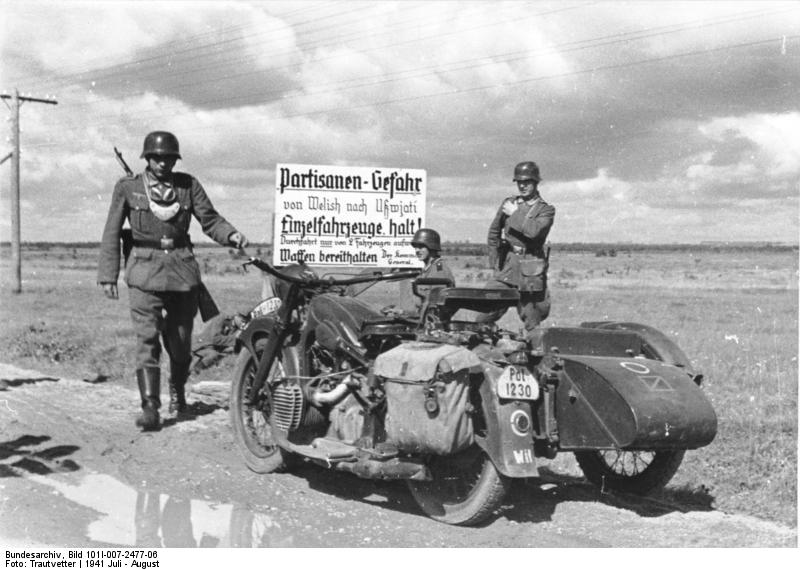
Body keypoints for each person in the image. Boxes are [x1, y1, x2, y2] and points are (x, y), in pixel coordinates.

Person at [97, 131, 249, 430]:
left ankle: (177, 389)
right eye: (157, 158)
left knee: (180, 345)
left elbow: (210, 220)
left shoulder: (188, 185)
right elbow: (111, 230)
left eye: (169, 158)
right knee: (147, 340)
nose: (163, 163)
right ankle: (150, 407)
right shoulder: (128, 187)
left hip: (181, 273)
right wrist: (108, 274)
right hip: (143, 272)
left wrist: (230, 235)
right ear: (147, 159)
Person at [485, 161, 554, 337]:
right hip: (507, 268)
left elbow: (534, 232)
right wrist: (495, 262)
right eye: (519, 182)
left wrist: (515, 214)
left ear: (536, 182)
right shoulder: (508, 203)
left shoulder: (545, 210)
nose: (522, 185)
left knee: (532, 320)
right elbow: (494, 232)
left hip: (530, 271)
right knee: (485, 312)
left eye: (527, 182)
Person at [410, 228, 455, 313]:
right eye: (416, 247)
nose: (417, 250)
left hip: (431, 321)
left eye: (421, 247)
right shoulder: (428, 268)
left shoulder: (439, 269)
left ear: (431, 247)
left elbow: (437, 305)